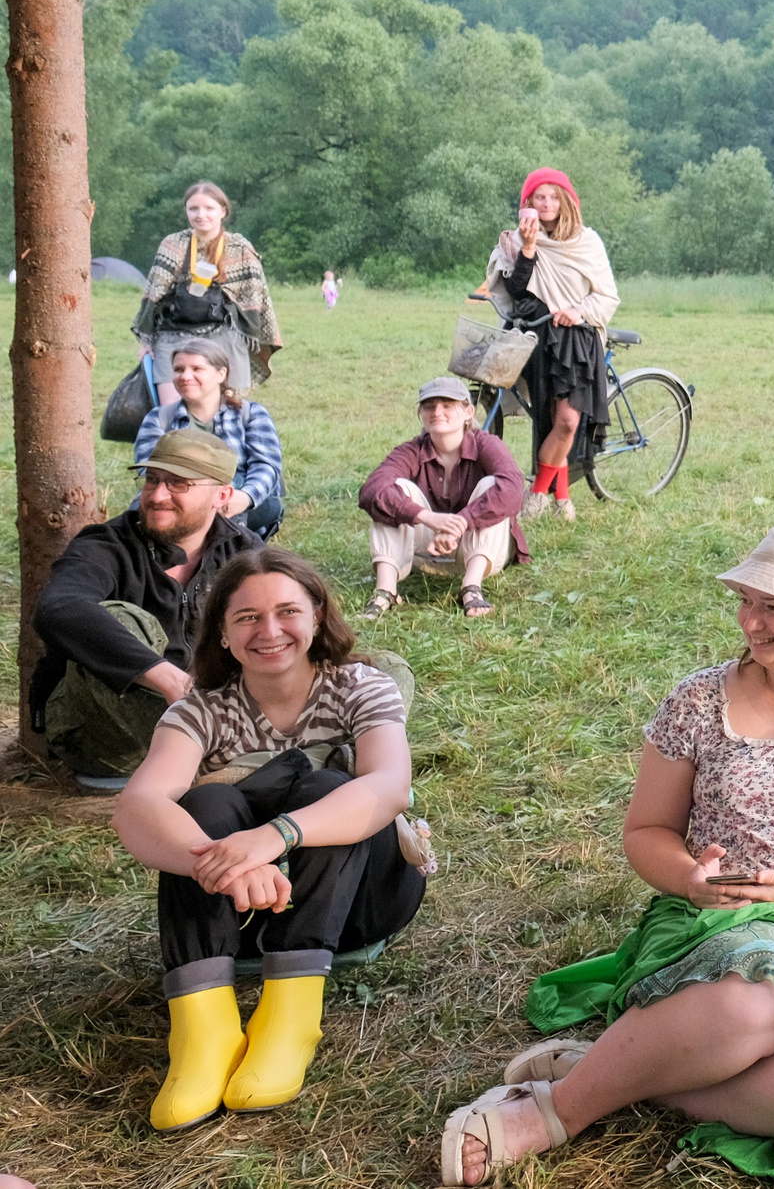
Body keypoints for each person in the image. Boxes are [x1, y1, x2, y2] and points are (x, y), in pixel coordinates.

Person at [437, 524, 774, 1186]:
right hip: (724, 918)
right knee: (757, 1001)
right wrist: (689, 877)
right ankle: (555, 1111)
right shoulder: (700, 698)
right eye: (746, 600)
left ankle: (619, 1069)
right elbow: (646, 829)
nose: (751, 620)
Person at [111, 547, 424, 1131]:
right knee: (201, 803)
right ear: (223, 635)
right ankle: (203, 1031)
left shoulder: (360, 685)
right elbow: (138, 805)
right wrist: (225, 864)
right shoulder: (200, 709)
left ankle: (290, 1017)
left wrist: (271, 837)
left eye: (287, 611)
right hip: (241, 911)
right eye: (247, 617)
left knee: (332, 784)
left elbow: (389, 787)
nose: (270, 630)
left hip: (360, 902)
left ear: (316, 618)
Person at [28, 428, 260, 789]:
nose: (156, 495)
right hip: (108, 734)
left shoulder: (244, 552)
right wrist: (170, 679)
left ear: (222, 495)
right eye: (151, 480)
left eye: (178, 483)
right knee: (120, 618)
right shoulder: (107, 545)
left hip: (211, 720)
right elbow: (58, 607)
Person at [488, 168, 619, 523]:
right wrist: (528, 250)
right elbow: (514, 293)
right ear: (527, 202)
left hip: (576, 338)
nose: (546, 204)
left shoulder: (587, 242)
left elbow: (607, 295)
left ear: (567, 201)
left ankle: (536, 495)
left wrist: (578, 311)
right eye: (538, 197)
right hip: (538, 335)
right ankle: (563, 498)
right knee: (548, 418)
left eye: (553, 197)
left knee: (567, 421)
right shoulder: (516, 241)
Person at [358, 376, 528, 619]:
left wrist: (461, 523)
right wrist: (427, 518)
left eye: (448, 405)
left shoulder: (486, 444)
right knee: (393, 491)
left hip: (481, 552)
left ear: (468, 412)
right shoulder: (412, 450)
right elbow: (371, 490)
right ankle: (385, 591)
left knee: (493, 485)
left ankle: (471, 588)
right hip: (425, 553)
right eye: (429, 406)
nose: (437, 412)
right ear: (420, 413)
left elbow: (513, 489)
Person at [134, 181, 283, 408]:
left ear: (223, 211)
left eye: (209, 208)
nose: (201, 215)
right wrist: (146, 339)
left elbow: (254, 299)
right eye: (193, 209)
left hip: (223, 337)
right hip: (174, 336)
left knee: (225, 412)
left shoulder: (240, 248)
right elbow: (155, 294)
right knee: (171, 413)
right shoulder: (172, 245)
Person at [136, 339, 286, 540]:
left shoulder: (251, 414)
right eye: (179, 369)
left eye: (197, 368)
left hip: (239, 498)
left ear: (221, 374)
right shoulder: (158, 419)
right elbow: (149, 473)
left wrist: (245, 497)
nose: (186, 376)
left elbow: (267, 466)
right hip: (180, 498)